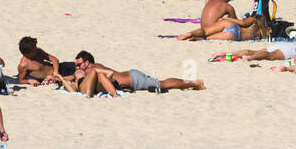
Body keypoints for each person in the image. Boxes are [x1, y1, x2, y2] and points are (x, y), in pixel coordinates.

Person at [57, 51, 206, 96]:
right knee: (161, 82)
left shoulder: (92, 69)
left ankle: (194, 82)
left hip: (133, 80)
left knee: (163, 84)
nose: (77, 67)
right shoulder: (89, 70)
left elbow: (104, 73)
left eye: (79, 64)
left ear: (87, 63)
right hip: (131, 77)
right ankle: (191, 83)